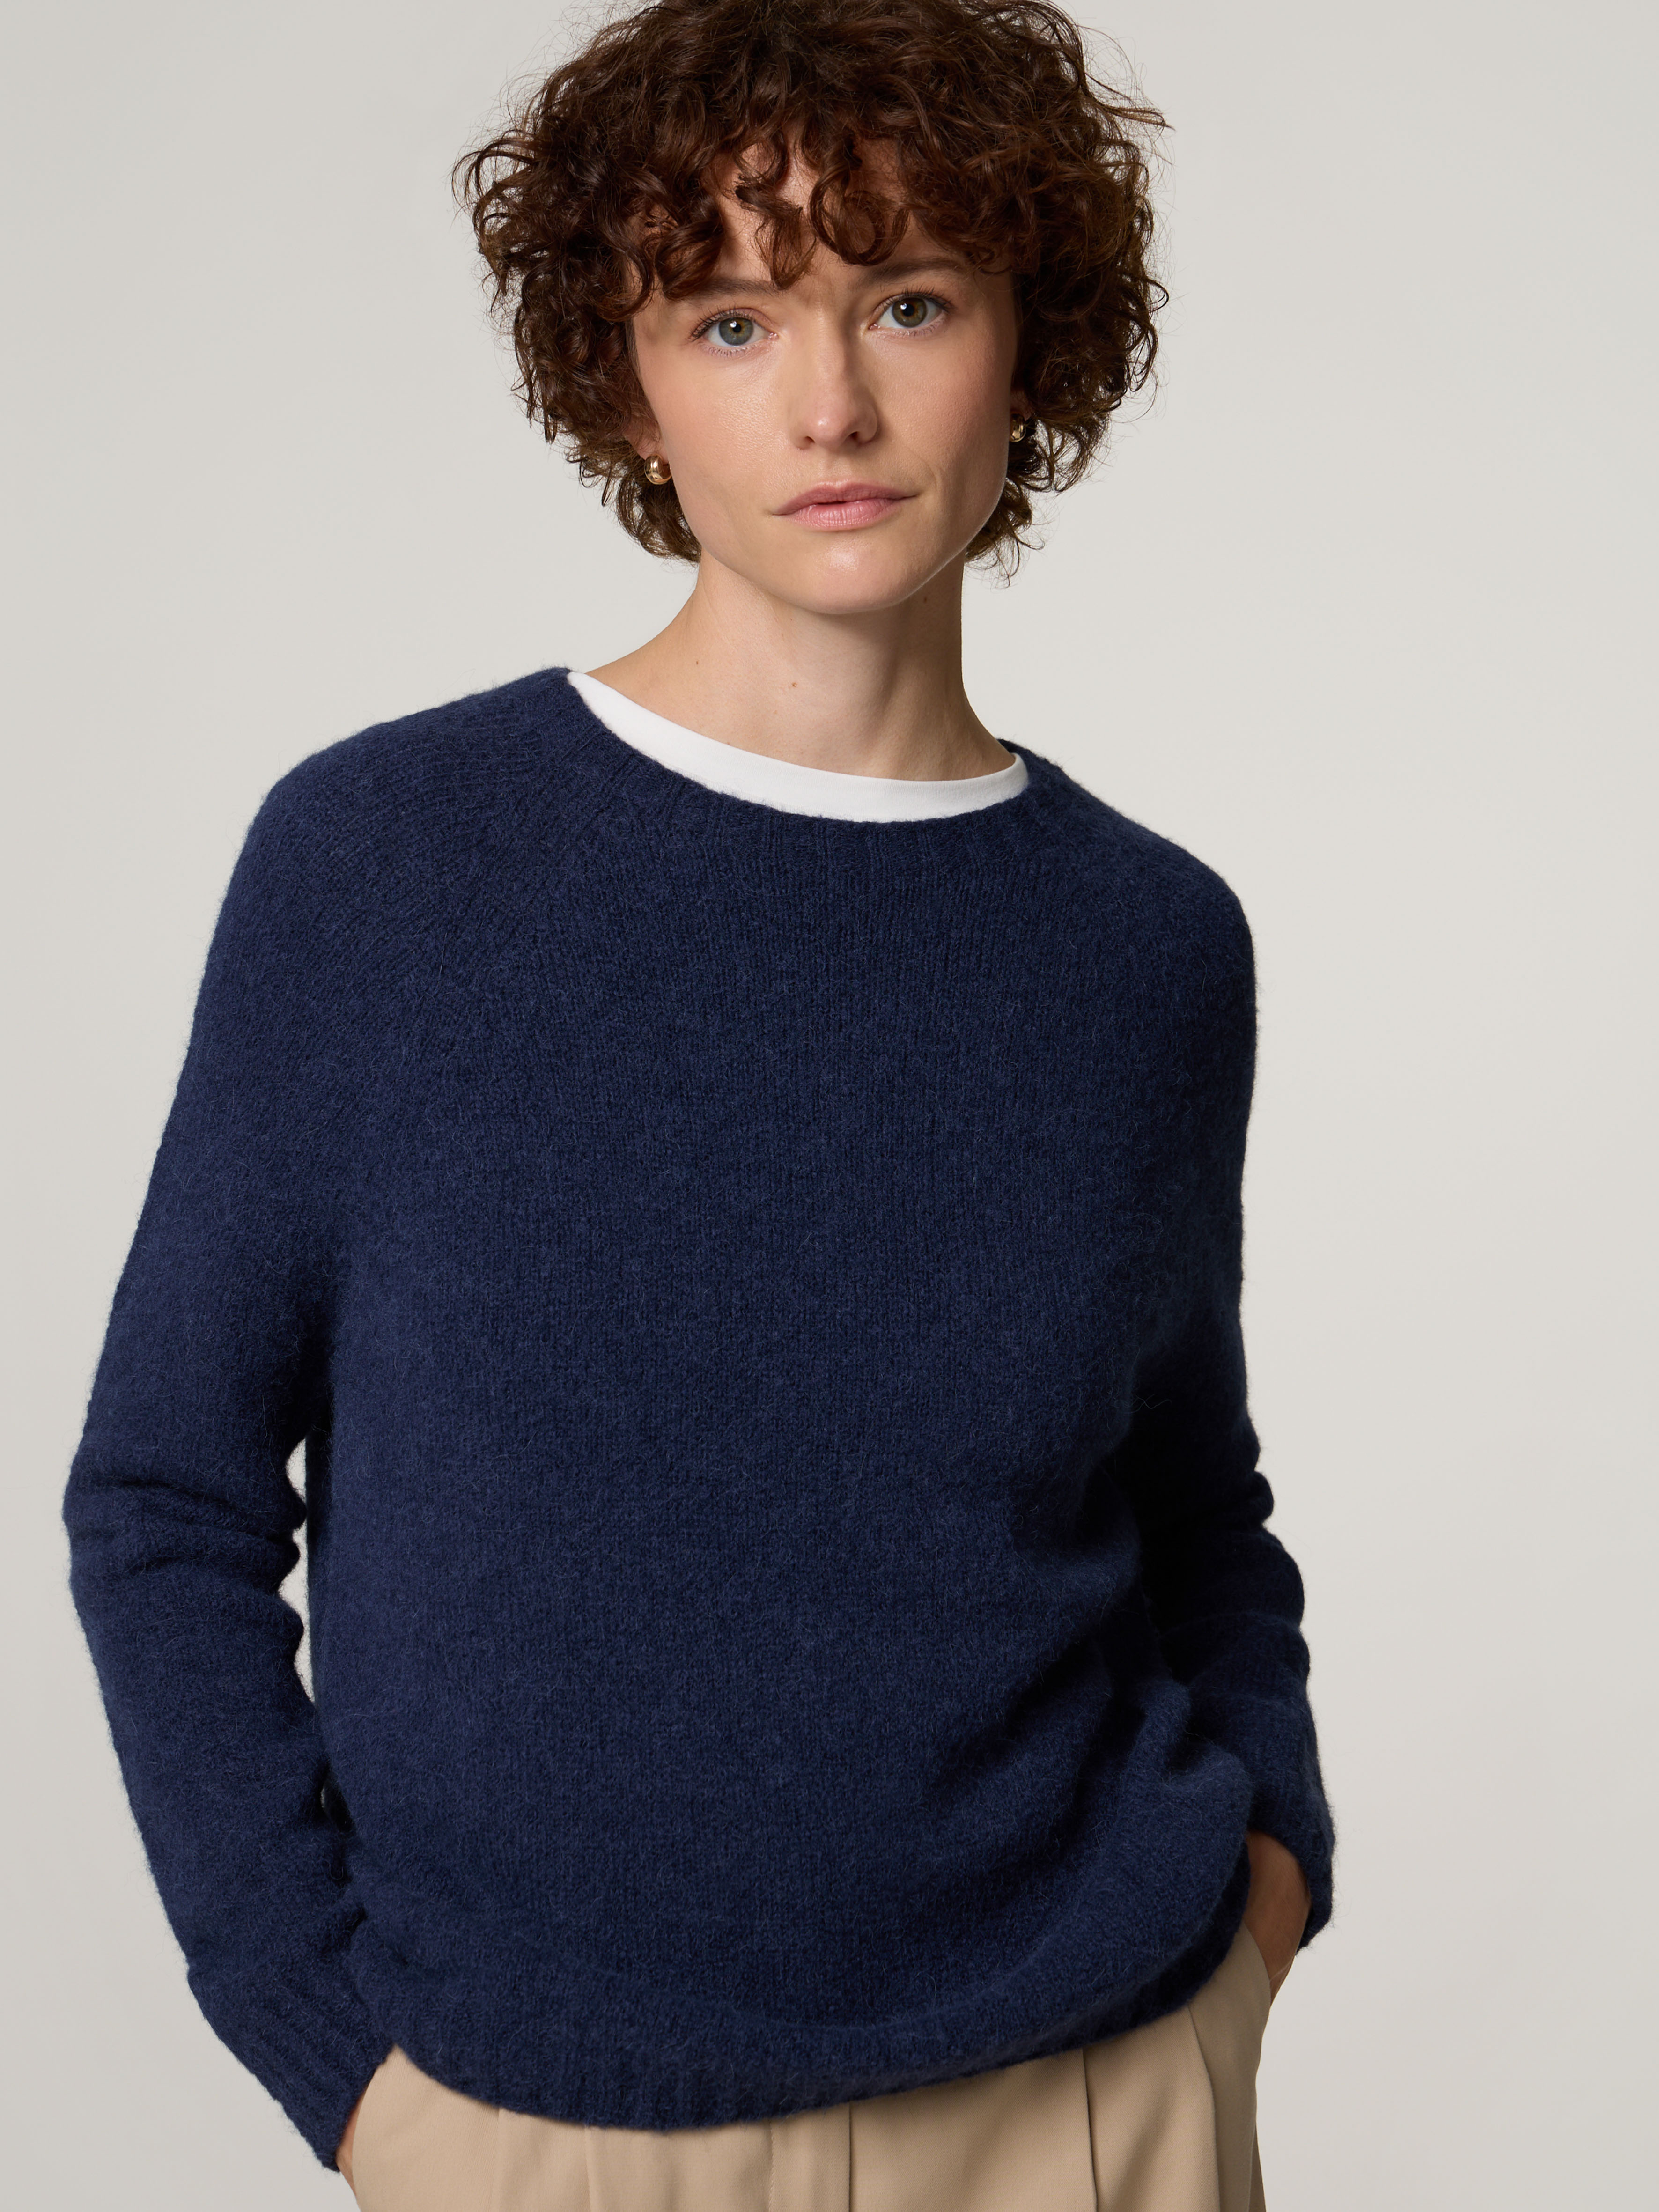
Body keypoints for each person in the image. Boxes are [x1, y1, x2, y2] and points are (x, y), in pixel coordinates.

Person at [62, 0, 1335, 2206]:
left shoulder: (1147, 941)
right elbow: (166, 1491)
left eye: (906, 302)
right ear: (628, 384)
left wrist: (1266, 1881)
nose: (829, 405)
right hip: (539, 2127)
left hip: (1091, 2099)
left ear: (1028, 343)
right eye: (730, 320)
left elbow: (1185, 1491)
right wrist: (341, 2056)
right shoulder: (388, 861)